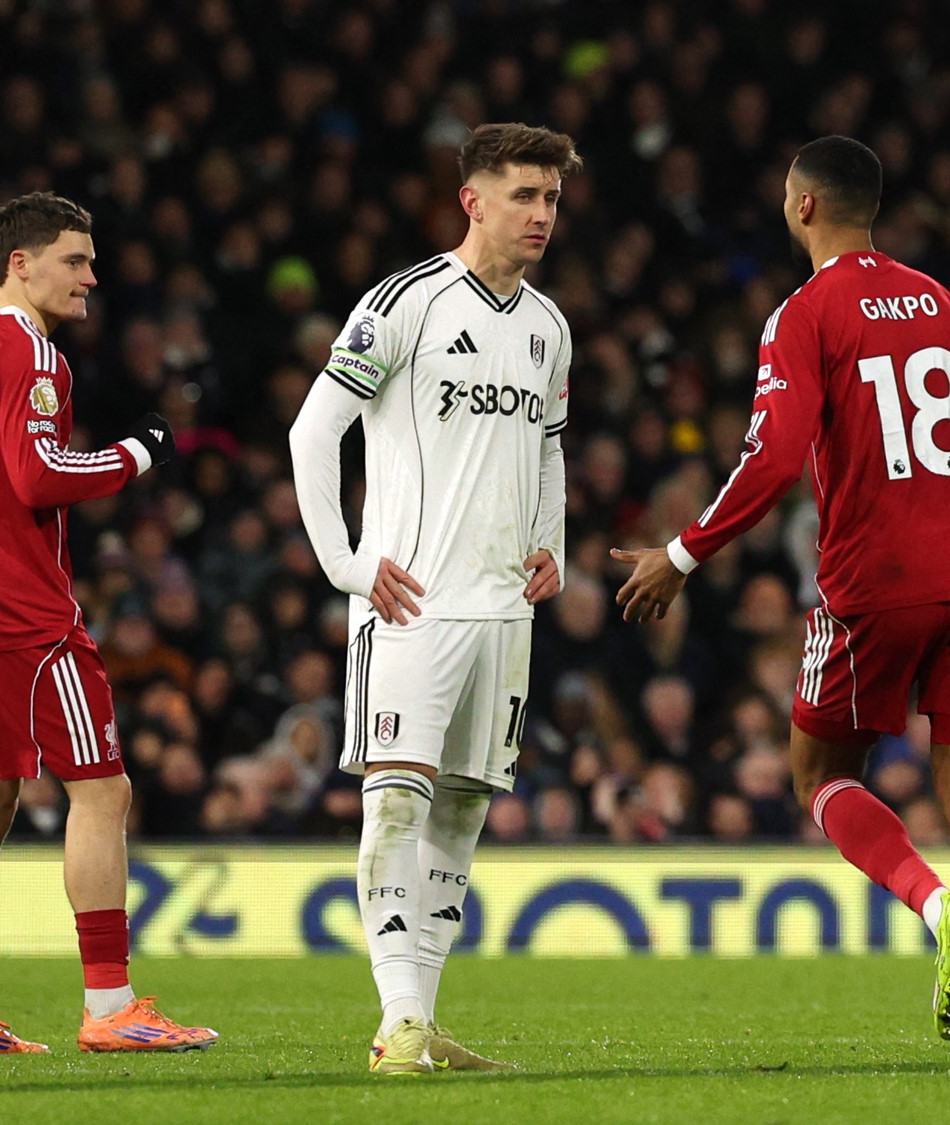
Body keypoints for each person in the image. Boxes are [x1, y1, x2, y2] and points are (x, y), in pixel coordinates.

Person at [613, 136, 950, 1062]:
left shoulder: (804, 313)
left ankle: (940, 909)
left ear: (803, 207)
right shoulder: (939, 298)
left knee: (819, 773)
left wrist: (681, 552)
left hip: (877, 584)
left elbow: (772, 460)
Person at [290, 123, 578, 1076]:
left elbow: (548, 446)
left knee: (460, 815)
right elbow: (313, 431)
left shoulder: (548, 326)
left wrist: (552, 542)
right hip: (413, 603)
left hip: (504, 611)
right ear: (472, 201)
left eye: (551, 198)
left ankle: (418, 1019)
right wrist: (345, 562)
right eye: (524, 195)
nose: (541, 214)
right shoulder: (405, 303)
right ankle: (400, 1016)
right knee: (394, 806)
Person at [0, 192, 215, 1054]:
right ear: (20, 263)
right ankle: (110, 1005)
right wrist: (138, 453)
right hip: (22, 608)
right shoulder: (31, 352)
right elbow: (39, 475)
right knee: (103, 789)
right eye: (75, 260)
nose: (91, 276)